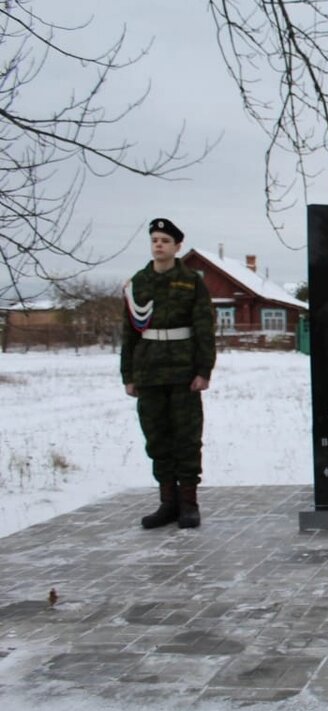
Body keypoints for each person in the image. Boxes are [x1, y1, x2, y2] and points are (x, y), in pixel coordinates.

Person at [121, 218, 217, 530]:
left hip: (183, 370)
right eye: (155, 240)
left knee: (186, 438)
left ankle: (189, 503)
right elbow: (129, 333)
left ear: (177, 246)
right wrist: (128, 375)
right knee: (157, 438)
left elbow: (204, 328)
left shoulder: (191, 281)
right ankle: (167, 503)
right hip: (149, 370)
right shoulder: (138, 282)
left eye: (165, 240)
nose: (159, 245)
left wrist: (204, 370)